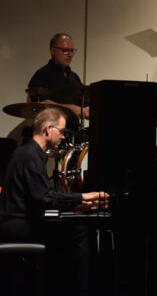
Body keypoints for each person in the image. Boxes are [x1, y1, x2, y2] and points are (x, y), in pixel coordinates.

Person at [0, 108, 109, 295]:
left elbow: (40, 198)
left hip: (21, 221)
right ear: (49, 129)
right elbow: (45, 198)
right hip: (18, 225)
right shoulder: (29, 155)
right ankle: (78, 290)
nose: (64, 137)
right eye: (62, 131)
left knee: (73, 226)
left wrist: (77, 207)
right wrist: (83, 197)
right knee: (79, 231)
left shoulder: (30, 153)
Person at [27, 32, 88, 120]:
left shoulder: (74, 77)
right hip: (52, 126)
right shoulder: (42, 75)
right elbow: (41, 103)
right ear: (53, 51)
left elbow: (84, 103)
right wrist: (71, 109)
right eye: (65, 50)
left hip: (74, 127)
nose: (70, 55)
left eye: (72, 51)